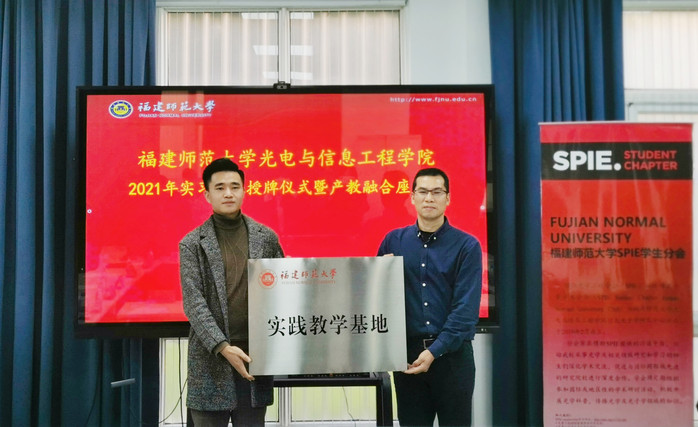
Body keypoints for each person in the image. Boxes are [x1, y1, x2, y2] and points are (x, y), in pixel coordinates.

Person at [179, 158, 284, 426]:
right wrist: (223, 347)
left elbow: (283, 291)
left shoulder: (266, 237)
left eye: (235, 187)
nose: (228, 193)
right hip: (211, 360)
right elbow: (194, 303)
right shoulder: (192, 243)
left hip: (254, 358)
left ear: (244, 191)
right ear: (207, 195)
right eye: (220, 187)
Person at [377, 167, 482, 427]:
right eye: (422, 192)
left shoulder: (467, 246)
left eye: (437, 192)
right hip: (408, 358)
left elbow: (465, 310)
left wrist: (434, 351)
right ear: (412, 197)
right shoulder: (393, 241)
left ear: (448, 198)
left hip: (453, 358)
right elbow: (377, 297)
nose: (429, 198)